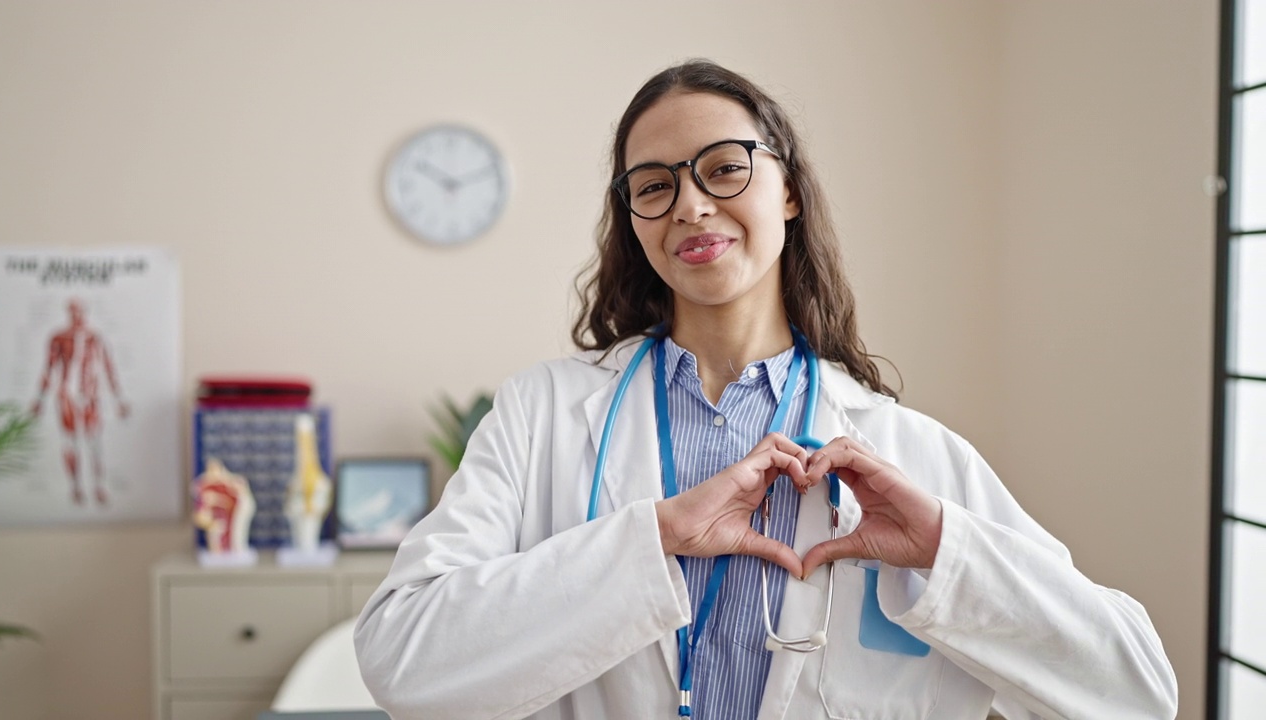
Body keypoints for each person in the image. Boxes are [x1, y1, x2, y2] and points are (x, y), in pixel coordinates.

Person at [354, 60, 1177, 720]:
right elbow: (403, 664)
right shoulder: (540, 416)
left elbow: (1136, 692)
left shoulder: (911, 452)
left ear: (787, 189)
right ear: (635, 222)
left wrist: (944, 551)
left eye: (723, 169)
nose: (691, 204)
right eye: (654, 186)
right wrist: (653, 541)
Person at [30, 297, 130, 506]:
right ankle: (75, 487)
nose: (77, 317)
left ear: (85, 313)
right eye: (73, 312)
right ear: (69, 314)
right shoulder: (59, 338)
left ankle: (98, 486)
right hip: (67, 396)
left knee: (94, 443)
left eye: (80, 312)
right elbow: (49, 369)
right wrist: (40, 399)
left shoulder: (95, 338)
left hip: (90, 397)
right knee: (71, 443)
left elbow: (108, 368)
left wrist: (118, 400)